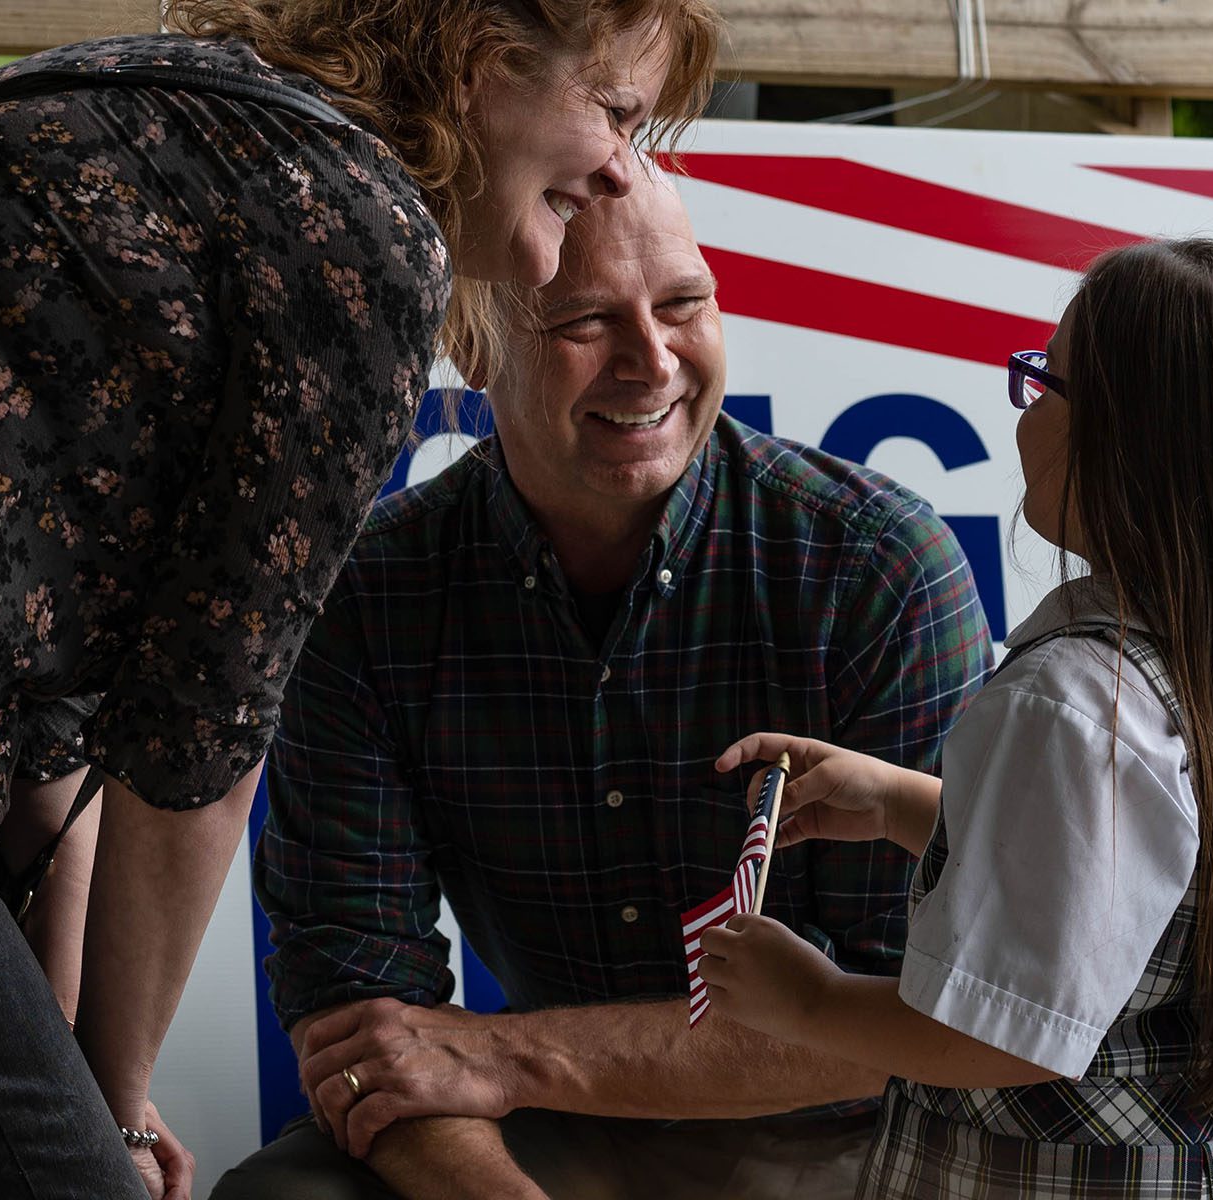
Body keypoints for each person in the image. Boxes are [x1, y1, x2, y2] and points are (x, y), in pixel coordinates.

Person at [0, 3, 720, 1197]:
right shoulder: (357, 223)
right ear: (475, 65)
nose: (623, 161)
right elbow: (199, 744)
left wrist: (98, 1103)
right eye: (612, 109)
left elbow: (51, 721)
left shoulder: (156, 94)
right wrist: (115, 1113)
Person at [219, 168, 993, 1200]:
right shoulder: (367, 592)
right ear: (476, 346)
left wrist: (504, 1056)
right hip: (550, 1133)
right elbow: (353, 1003)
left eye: (684, 303)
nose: (652, 360)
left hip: (839, 1137)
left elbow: (907, 1018)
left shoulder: (879, 565)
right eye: (586, 319)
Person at [696, 238, 1213, 1198]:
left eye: (1045, 382)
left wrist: (808, 999)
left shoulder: (1075, 704)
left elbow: (999, 1032)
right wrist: (899, 803)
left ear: (1130, 440)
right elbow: (1124, 891)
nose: (1025, 412)